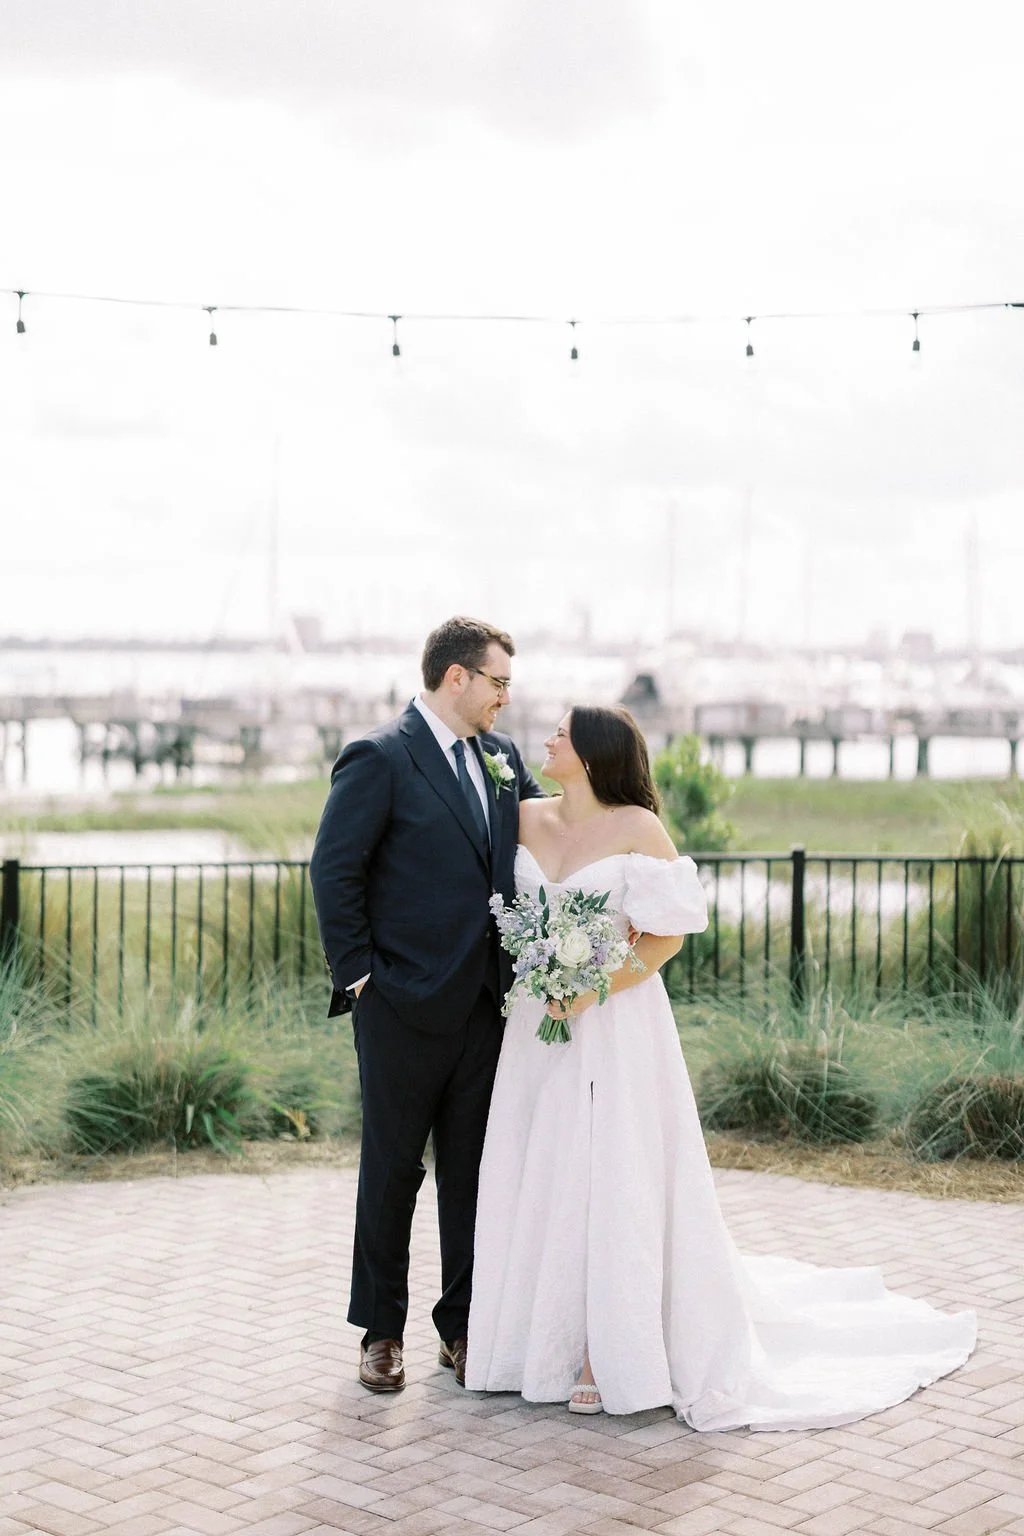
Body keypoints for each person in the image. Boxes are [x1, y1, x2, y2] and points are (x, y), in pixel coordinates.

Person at [465, 704, 976, 1427]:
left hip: (614, 1022)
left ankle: (601, 1349)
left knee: (614, 1171)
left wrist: (589, 988)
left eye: (560, 733)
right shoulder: (520, 817)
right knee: (543, 1166)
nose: (545, 740)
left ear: (591, 753)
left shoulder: (639, 827)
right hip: (534, 1024)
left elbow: (665, 938)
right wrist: (541, 974)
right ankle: (533, 1340)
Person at [309, 616, 544, 1394]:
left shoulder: (505, 760)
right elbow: (334, 872)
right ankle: (380, 1332)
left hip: (486, 1004)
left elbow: (547, 840)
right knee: (392, 1172)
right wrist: (363, 979)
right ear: (457, 678)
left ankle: (465, 1325)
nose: (507, 697)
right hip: (400, 1005)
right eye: (499, 681)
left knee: (474, 1173)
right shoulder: (379, 758)